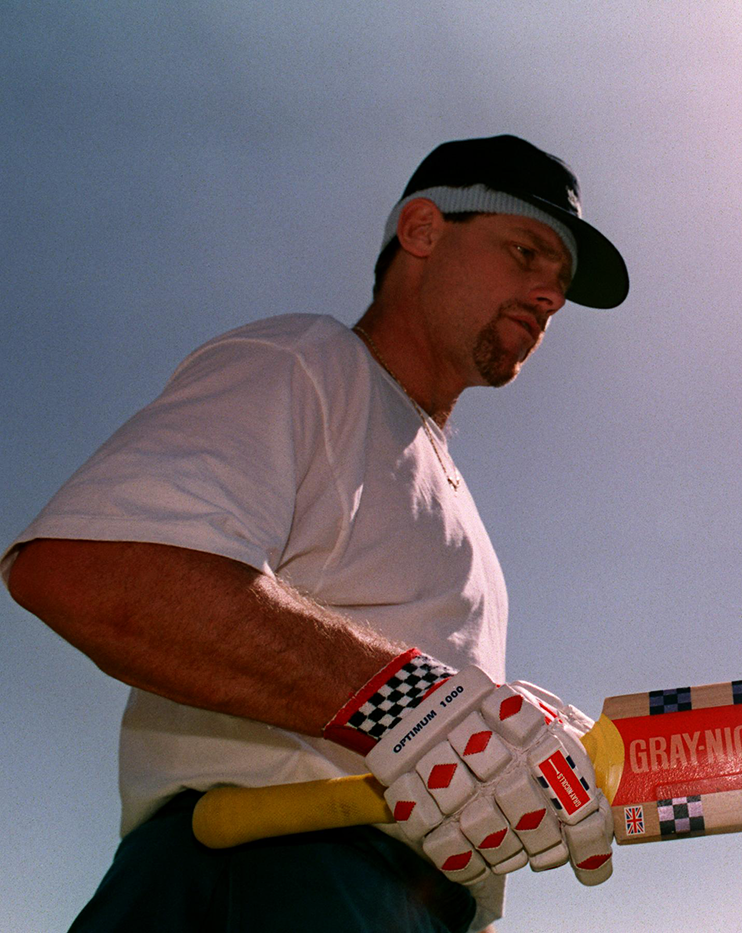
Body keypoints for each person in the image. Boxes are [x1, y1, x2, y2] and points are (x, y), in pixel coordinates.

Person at [3, 135, 630, 933]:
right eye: (527, 252)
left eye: (560, 285)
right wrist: (419, 702)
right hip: (267, 873)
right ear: (423, 231)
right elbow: (94, 571)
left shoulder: (463, 514)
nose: (550, 296)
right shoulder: (305, 362)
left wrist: (497, 742)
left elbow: (440, 765)